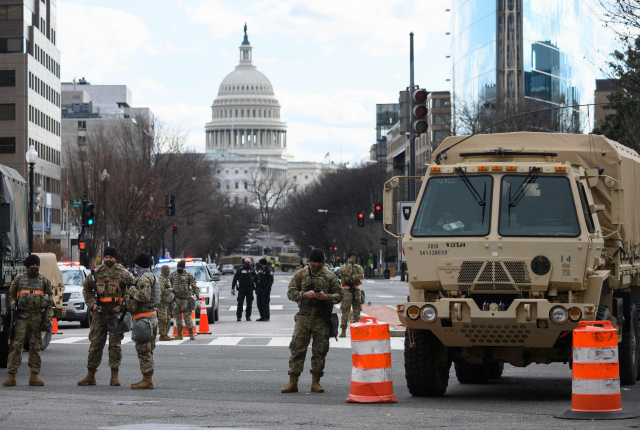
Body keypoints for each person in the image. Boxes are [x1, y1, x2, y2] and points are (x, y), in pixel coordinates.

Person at [281, 249, 342, 394]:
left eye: (319, 262)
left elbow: (339, 295)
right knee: (297, 348)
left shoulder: (329, 276)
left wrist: (326, 297)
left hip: (322, 317)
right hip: (304, 316)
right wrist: (304, 294)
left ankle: (316, 382)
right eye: (314, 262)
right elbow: (290, 292)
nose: (316, 264)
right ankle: (293, 382)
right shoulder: (301, 274)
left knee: (320, 350)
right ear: (309, 261)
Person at [78, 246, 134, 387]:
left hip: (116, 316)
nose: (108, 259)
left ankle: (114, 377)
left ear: (116, 258)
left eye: (111, 257)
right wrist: (92, 304)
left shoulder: (123, 273)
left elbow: (132, 291)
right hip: (99, 315)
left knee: (115, 346)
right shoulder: (96, 273)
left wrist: (121, 305)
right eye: (106, 257)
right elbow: (86, 289)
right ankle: (91, 376)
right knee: (95, 344)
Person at [2, 254, 53, 387]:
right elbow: (11, 295)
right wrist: (13, 304)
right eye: (32, 264)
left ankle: (34, 376)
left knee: (35, 347)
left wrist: (47, 320)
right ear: (27, 265)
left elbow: (49, 303)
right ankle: (11, 375)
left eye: (37, 264)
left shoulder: (44, 281)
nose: (35, 267)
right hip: (21, 317)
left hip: (37, 317)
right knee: (16, 345)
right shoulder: (19, 279)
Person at [128, 252, 160, 389]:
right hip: (151, 317)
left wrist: (131, 289)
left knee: (143, 350)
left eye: (136, 264)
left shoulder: (144, 278)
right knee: (148, 349)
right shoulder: (152, 276)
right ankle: (147, 378)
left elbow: (144, 296)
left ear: (139, 264)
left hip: (144, 318)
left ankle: (147, 380)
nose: (135, 267)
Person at [170, 260, 199, 340]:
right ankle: (179, 334)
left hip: (185, 300)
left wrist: (197, 293)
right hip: (176, 300)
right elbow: (168, 285)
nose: (180, 268)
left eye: (181, 267)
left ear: (183, 267)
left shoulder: (188, 275)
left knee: (187, 317)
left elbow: (194, 285)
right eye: (179, 267)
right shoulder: (172, 275)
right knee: (178, 318)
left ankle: (191, 334)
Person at [339, 253, 365, 337]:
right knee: (345, 311)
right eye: (351, 258)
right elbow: (346, 275)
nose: (353, 260)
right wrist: (349, 264)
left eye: (354, 258)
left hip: (356, 290)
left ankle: (357, 331)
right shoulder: (344, 267)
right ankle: (343, 331)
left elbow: (361, 276)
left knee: (357, 311)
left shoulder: (358, 267)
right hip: (346, 291)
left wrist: (352, 278)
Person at [157, 265, 174, 341]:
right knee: (163, 319)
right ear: (164, 270)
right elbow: (161, 291)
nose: (169, 271)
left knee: (168, 319)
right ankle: (162, 335)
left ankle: (166, 334)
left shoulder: (167, 279)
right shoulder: (160, 280)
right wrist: (170, 290)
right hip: (161, 303)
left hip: (167, 303)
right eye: (168, 270)